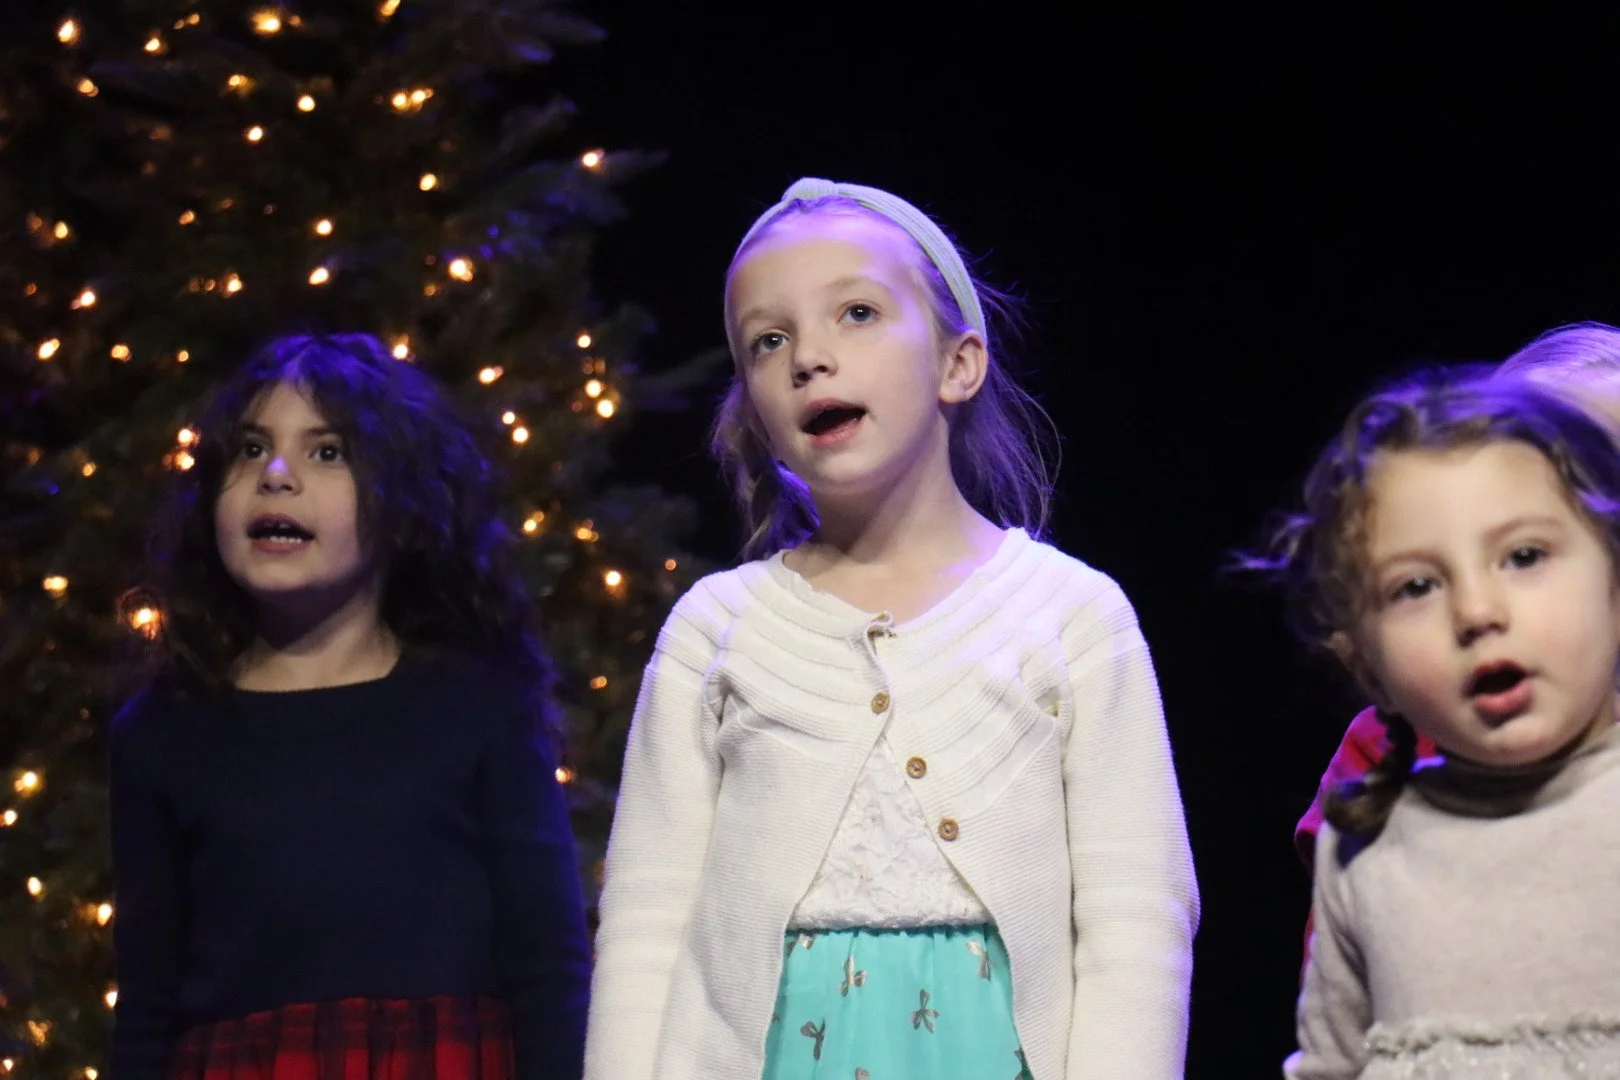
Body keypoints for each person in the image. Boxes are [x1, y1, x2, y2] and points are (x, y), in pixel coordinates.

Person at [583, 178, 1199, 1080]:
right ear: (753, 406)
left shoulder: (1070, 615)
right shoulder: (717, 630)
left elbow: (1136, 910)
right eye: (770, 339)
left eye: (858, 313)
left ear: (959, 364)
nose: (809, 359)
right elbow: (646, 917)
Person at [110, 334, 590, 1079]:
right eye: (248, 450)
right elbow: (146, 1003)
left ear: (403, 504)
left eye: (326, 452)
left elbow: (550, 967)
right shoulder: (162, 734)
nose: (276, 476)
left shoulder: (481, 707)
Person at [1251, 368, 1620, 1076]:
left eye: (1524, 557)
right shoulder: (1365, 848)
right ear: (1362, 659)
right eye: (1416, 586)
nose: (1478, 612)